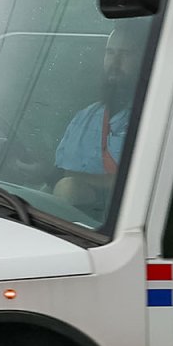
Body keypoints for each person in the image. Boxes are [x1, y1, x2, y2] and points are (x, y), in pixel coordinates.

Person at [53, 21, 148, 210]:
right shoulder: (84, 118)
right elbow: (58, 172)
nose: (115, 63)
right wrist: (37, 171)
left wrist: (73, 181)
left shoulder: (151, 119)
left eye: (125, 54)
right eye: (110, 53)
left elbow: (140, 183)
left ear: (144, 60)